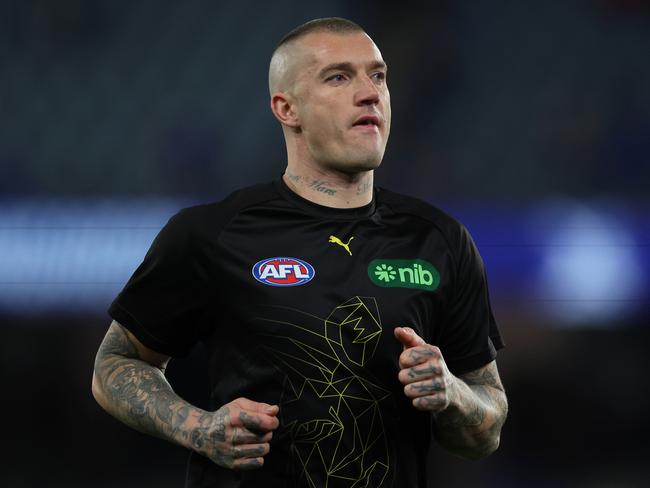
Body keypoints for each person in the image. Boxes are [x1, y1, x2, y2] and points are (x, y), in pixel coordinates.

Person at [92, 17, 508, 488]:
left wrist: (451, 392)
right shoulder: (214, 233)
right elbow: (115, 363)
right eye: (338, 76)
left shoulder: (440, 241)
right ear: (287, 108)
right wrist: (199, 428)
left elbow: (485, 427)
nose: (370, 92)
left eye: (378, 75)